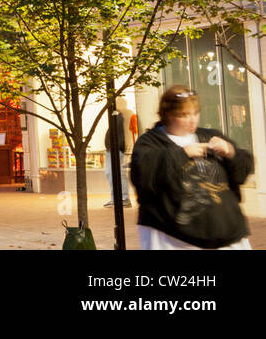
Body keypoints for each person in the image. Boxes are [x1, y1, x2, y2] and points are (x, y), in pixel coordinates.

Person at [130, 85, 253, 250]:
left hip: (227, 234)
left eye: (195, 113)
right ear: (168, 115)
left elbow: (241, 172)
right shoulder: (151, 142)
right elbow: (144, 175)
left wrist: (231, 152)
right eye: (184, 115)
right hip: (174, 238)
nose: (192, 120)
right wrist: (182, 154)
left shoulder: (209, 136)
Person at [102, 96, 133, 207]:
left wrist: (118, 146)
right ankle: (117, 198)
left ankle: (122, 198)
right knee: (112, 173)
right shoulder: (119, 116)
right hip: (114, 149)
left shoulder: (121, 117)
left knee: (116, 173)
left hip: (116, 149)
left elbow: (123, 134)